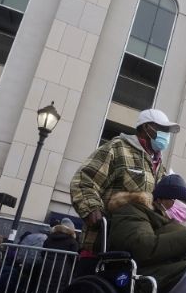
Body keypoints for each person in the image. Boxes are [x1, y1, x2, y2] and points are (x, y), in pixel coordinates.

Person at [70, 108, 174, 272]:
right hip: (101, 244)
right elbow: (84, 180)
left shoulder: (161, 167)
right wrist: (91, 209)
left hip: (135, 248)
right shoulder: (117, 148)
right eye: (163, 129)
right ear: (147, 128)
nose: (166, 134)